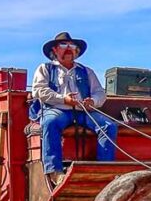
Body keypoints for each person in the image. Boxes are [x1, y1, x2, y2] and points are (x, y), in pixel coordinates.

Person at [30, 32, 118, 186]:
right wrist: (64, 99)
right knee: (50, 123)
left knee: (108, 126)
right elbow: (39, 91)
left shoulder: (86, 71)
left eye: (72, 46)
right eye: (64, 45)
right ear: (55, 50)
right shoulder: (45, 69)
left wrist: (93, 101)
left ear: (77, 51)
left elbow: (100, 93)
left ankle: (105, 169)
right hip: (57, 110)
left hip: (84, 111)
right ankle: (54, 171)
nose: (69, 48)